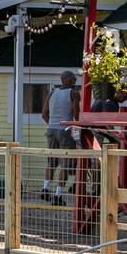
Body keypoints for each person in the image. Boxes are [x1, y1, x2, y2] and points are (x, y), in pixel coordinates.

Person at [41, 70, 81, 206]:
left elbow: (44, 114)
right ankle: (57, 196)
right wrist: (78, 130)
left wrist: (53, 124)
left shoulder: (52, 93)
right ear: (68, 80)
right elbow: (76, 114)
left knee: (51, 162)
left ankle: (45, 188)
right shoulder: (74, 94)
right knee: (65, 164)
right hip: (66, 130)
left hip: (51, 130)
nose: (75, 82)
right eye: (74, 80)